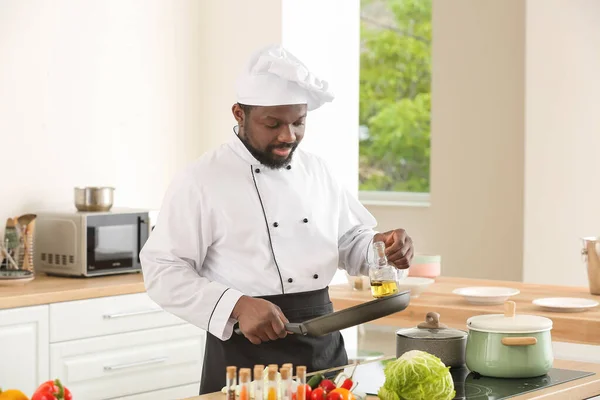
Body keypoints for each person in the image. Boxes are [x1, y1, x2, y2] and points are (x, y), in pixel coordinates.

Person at [139, 44, 414, 394]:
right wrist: (237, 306)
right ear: (239, 114)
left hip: (323, 348)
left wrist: (382, 246)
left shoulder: (318, 171)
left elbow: (349, 242)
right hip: (244, 356)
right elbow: (162, 268)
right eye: (273, 124)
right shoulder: (201, 179)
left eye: (298, 122)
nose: (288, 136)